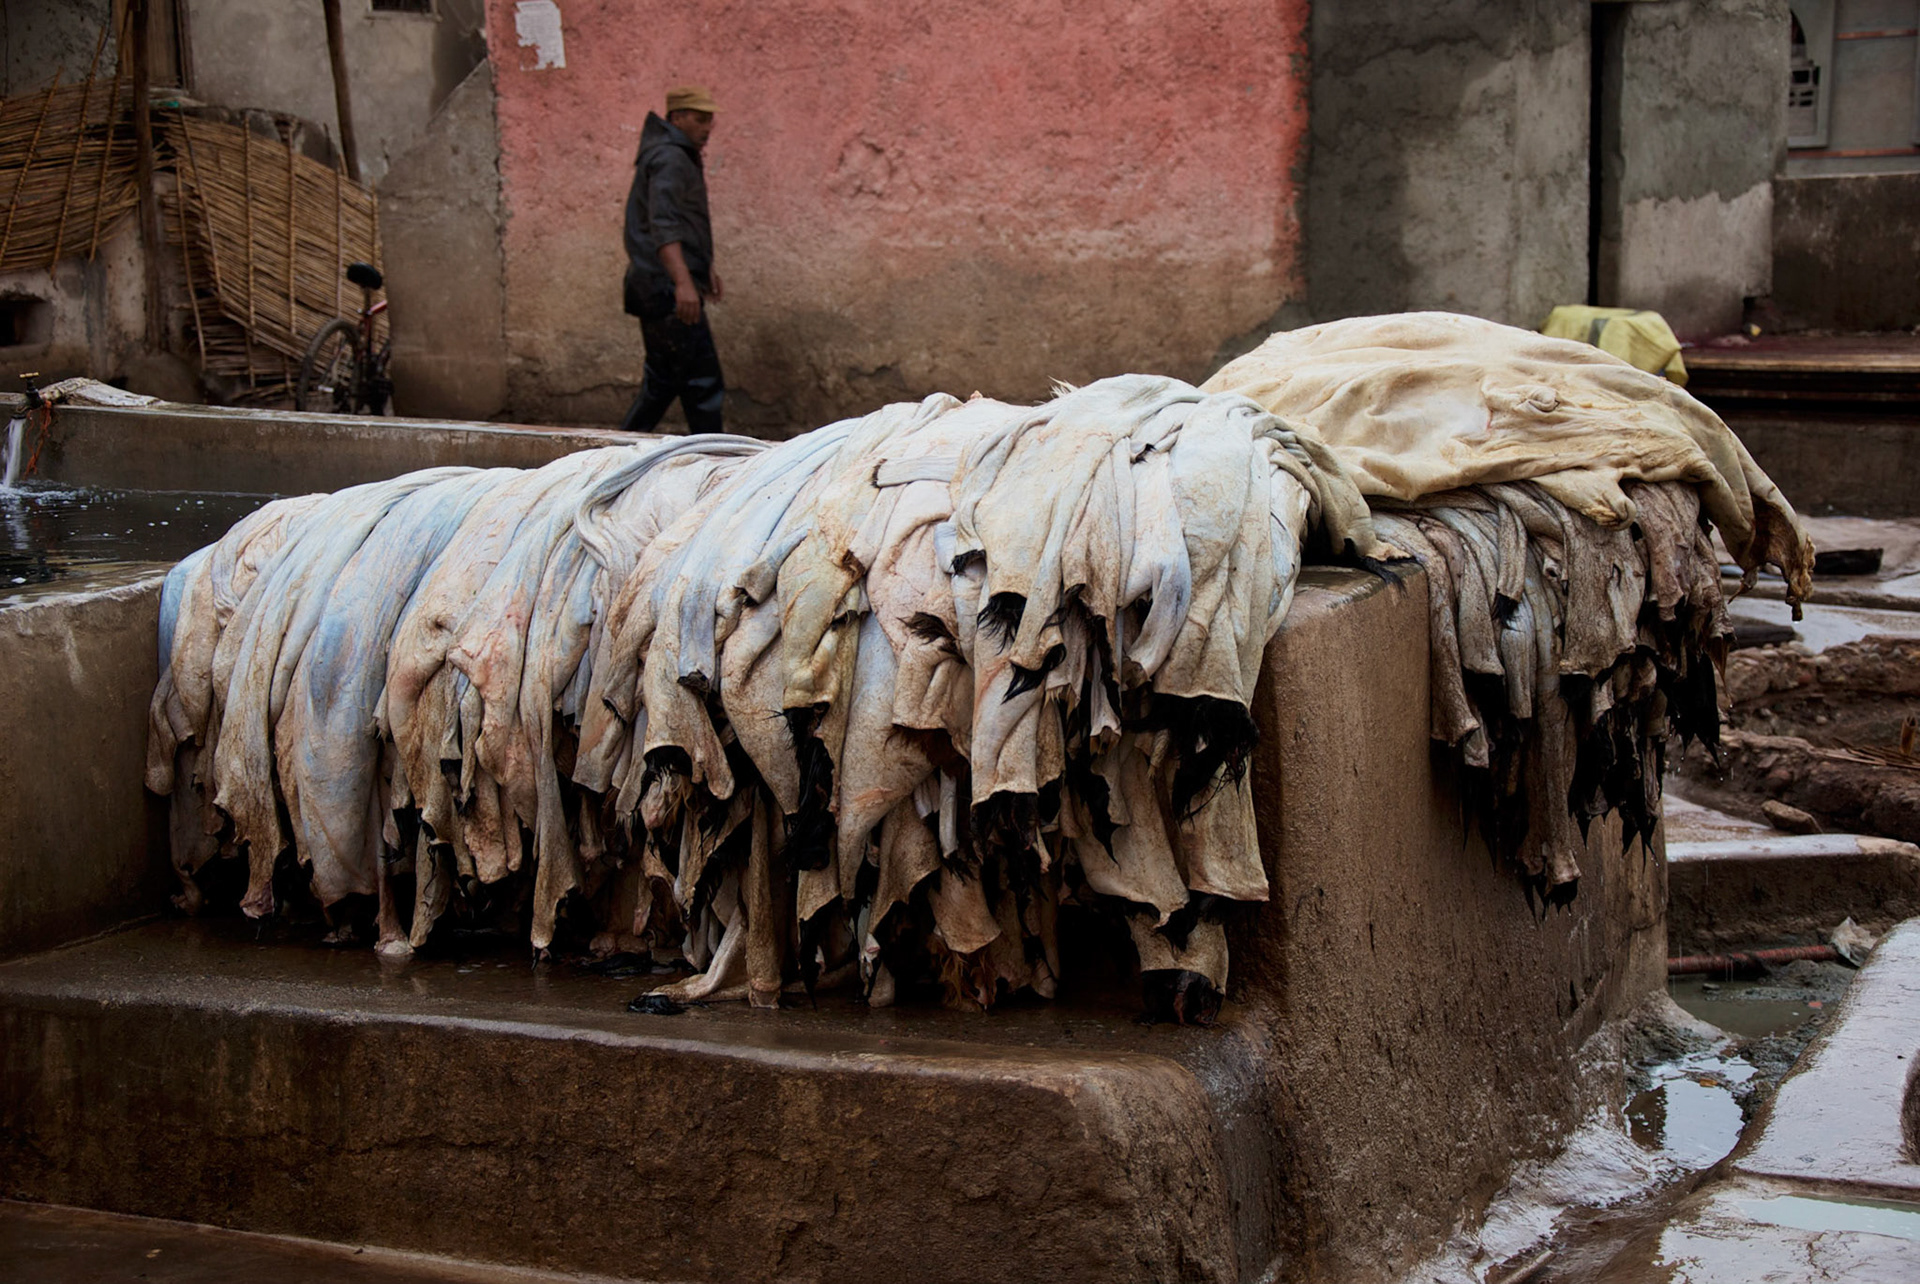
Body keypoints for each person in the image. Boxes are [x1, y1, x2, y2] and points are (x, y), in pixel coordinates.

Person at [618, 85, 724, 433]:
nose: (707, 127)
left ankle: (616, 452)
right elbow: (663, 224)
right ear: (677, 118)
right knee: (702, 383)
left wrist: (702, 270)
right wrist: (682, 282)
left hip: (658, 284)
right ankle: (716, 462)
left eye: (710, 120)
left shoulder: (672, 153)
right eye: (699, 119)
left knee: (663, 381)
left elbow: (683, 221)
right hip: (664, 288)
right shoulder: (670, 158)